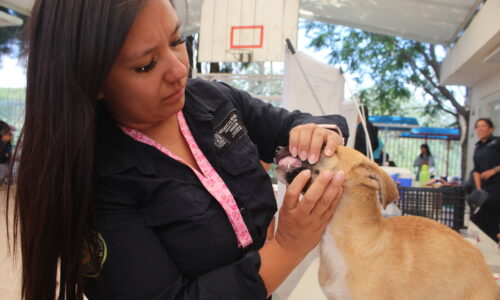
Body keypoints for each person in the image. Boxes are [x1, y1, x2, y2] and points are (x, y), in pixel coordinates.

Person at [10, 0, 349, 299]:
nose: (178, 70)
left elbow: (298, 123)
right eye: (146, 65)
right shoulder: (97, 182)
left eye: (177, 41)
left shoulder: (214, 100)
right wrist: (288, 245)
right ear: (92, 80)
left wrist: (317, 132)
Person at [470, 118, 500, 243]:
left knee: (492, 220)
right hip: (483, 190)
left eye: (483, 126)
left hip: (497, 188)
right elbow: (476, 170)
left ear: (491, 129)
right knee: (477, 219)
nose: (480, 129)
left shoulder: (497, 142)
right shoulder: (478, 147)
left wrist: (494, 170)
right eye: (477, 127)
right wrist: (478, 190)